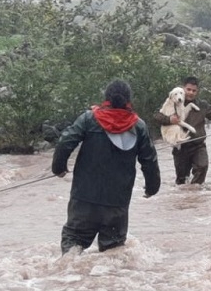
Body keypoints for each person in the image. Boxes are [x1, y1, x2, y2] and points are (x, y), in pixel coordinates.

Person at [52, 80, 160, 254]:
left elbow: (65, 142)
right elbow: (149, 160)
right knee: (113, 250)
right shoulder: (138, 125)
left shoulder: (88, 119)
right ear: (128, 100)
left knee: (73, 240)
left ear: (106, 98)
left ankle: (69, 274)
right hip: (117, 201)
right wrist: (152, 188)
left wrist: (59, 168)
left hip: (84, 197)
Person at [154, 76, 211, 185]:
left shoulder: (202, 105)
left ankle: (196, 195)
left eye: (194, 91)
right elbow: (157, 116)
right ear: (183, 89)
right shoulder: (172, 102)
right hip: (181, 148)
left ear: (197, 92)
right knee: (182, 180)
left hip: (198, 145)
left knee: (202, 167)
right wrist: (169, 119)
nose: (191, 93)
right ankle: (185, 198)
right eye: (188, 90)